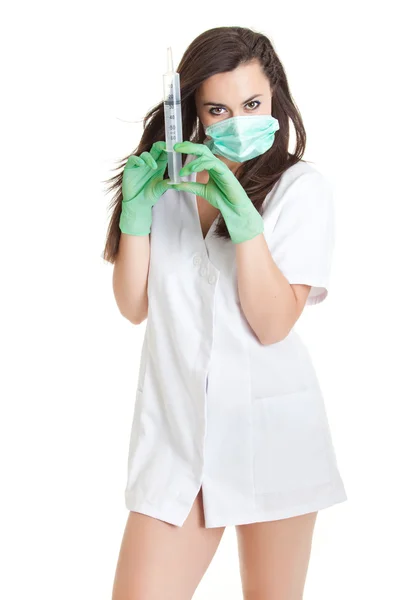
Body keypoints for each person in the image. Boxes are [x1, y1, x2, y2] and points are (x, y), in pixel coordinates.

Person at [103, 25, 347, 600]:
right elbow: (134, 306)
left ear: (277, 100)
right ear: (193, 112)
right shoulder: (164, 186)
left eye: (252, 104)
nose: (237, 122)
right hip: (176, 443)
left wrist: (245, 225)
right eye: (218, 109)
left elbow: (273, 323)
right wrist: (137, 219)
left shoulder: (301, 189)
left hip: (273, 437)